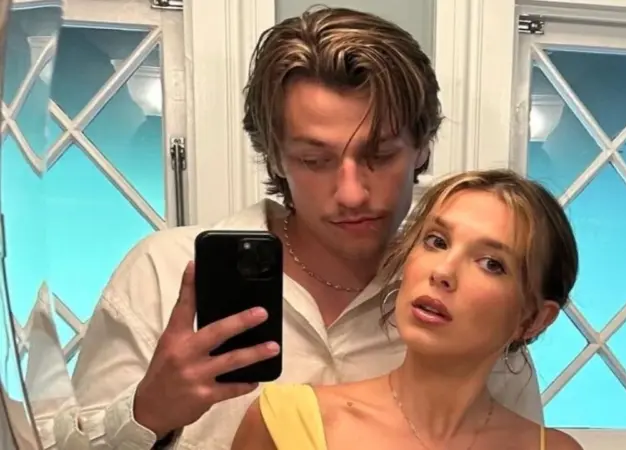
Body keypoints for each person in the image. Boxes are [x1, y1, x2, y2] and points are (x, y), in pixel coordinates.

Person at [53, 7, 544, 450]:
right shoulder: (163, 275)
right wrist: (146, 414)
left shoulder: (470, 310)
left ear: (423, 148)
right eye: (314, 160)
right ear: (275, 158)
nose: (352, 193)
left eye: (379, 154)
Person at [231, 169, 582, 450]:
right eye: (436, 241)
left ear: (533, 319)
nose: (443, 271)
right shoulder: (283, 424)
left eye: (491, 263)